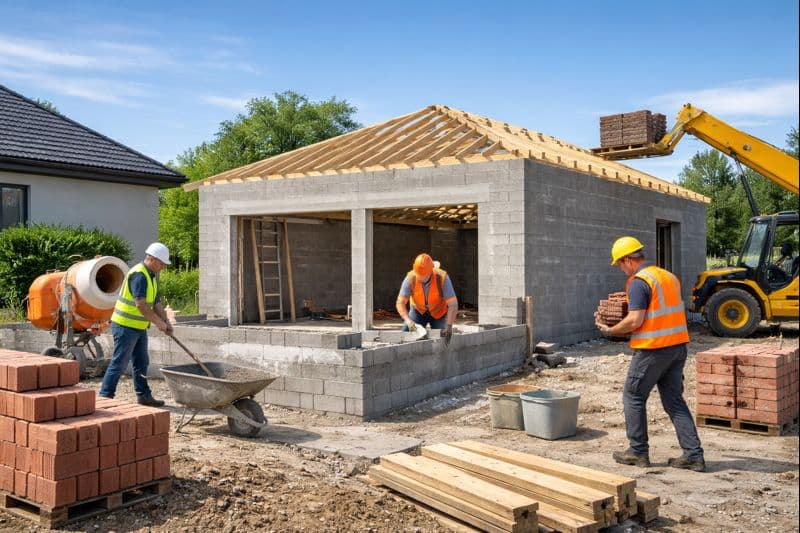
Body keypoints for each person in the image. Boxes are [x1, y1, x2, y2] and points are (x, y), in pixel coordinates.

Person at [596, 236, 705, 472]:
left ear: (627, 260)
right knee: (674, 402)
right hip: (677, 347)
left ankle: (637, 451)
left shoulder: (639, 281)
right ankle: (693, 455)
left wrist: (610, 330)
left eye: (620, 265)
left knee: (633, 396)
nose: (621, 270)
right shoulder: (667, 276)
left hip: (653, 349)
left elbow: (636, 319)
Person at [99, 242, 173, 406]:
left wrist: (166, 322)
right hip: (125, 327)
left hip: (138, 328)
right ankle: (105, 397)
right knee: (119, 363)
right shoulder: (139, 275)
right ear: (152, 259)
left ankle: (143, 396)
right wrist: (158, 322)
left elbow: (156, 303)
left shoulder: (151, 276)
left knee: (141, 362)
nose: (163, 267)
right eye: (161, 263)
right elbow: (140, 304)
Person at [396, 253, 458, 345]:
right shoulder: (410, 278)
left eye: (422, 276)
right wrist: (409, 321)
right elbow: (400, 303)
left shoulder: (442, 278)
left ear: (430, 272)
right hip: (418, 312)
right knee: (406, 334)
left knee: (443, 339)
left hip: (439, 314)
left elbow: (453, 304)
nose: (419, 278)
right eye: (418, 275)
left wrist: (449, 326)